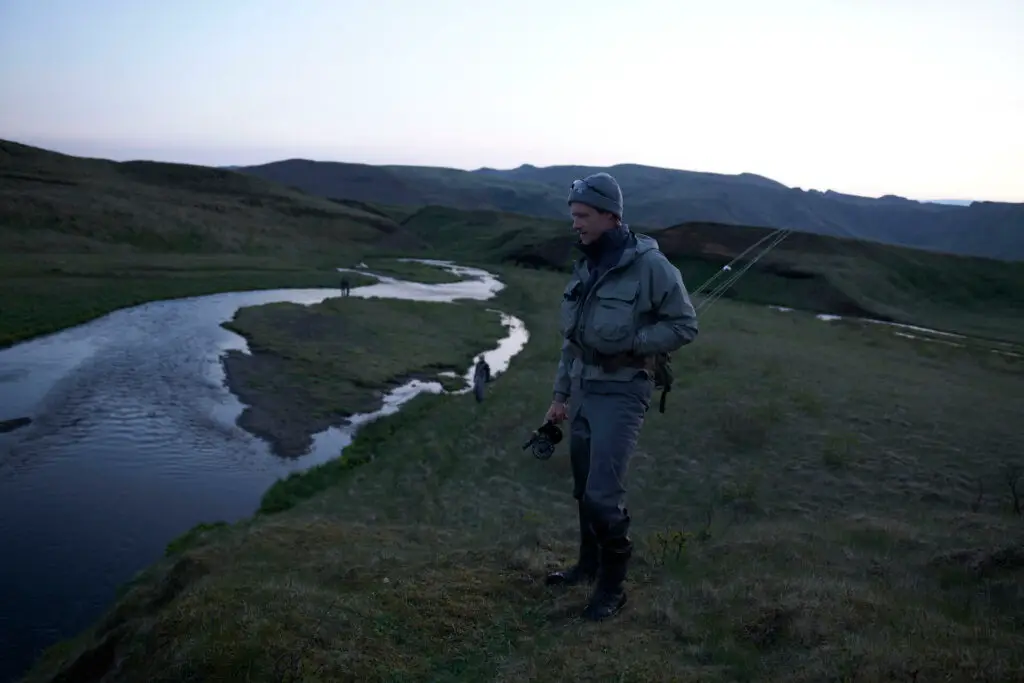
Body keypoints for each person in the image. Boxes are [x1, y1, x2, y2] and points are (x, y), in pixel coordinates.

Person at [544, 172, 699, 621]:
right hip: (585, 389)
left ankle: (613, 590)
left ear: (611, 216)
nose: (576, 224)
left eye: (583, 216)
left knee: (602, 495)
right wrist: (560, 395)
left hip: (623, 392)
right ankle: (587, 568)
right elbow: (572, 341)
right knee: (582, 490)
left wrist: (635, 342)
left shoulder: (652, 267)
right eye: (573, 216)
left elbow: (684, 326)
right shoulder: (586, 265)